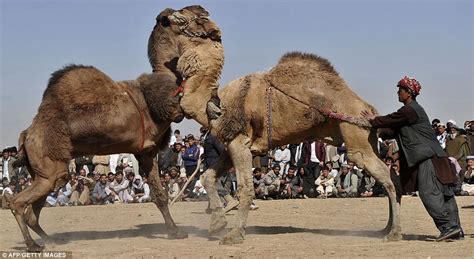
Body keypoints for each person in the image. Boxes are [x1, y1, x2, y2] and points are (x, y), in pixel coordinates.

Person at [361, 76, 462, 241]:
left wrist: (374, 120)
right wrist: (376, 129)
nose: (397, 93)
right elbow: (393, 130)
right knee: (445, 193)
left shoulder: (410, 110)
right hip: (438, 157)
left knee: (429, 192)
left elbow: (390, 119)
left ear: (408, 93)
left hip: (428, 159)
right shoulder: (410, 115)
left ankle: (448, 227)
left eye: (400, 90)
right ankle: (456, 229)